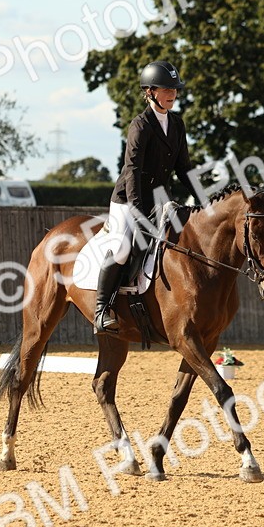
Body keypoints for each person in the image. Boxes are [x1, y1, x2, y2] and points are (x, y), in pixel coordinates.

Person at [94, 60, 194, 333]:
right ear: (150, 92)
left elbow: (184, 168)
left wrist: (204, 197)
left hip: (162, 199)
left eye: (174, 88)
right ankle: (102, 310)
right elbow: (132, 171)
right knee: (125, 248)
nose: (172, 93)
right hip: (128, 199)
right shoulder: (140, 125)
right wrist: (138, 211)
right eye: (166, 88)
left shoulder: (177, 124)